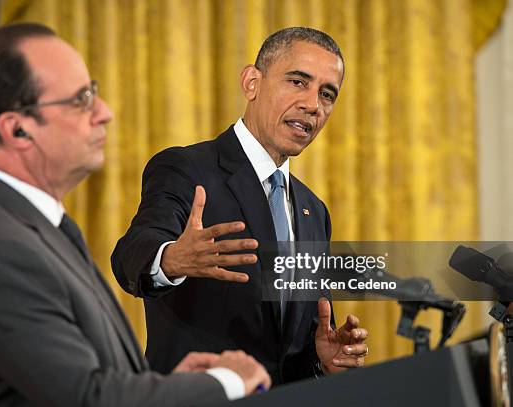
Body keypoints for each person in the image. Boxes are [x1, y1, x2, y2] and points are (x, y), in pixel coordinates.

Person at [0, 23, 271, 407]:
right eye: (81, 99)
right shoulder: (0, 251)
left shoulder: (25, 222)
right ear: (17, 130)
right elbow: (89, 400)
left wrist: (170, 385)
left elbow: (72, 381)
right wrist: (226, 382)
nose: (104, 112)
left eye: (95, 92)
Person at [111, 27, 369, 385]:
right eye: (298, 82)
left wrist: (322, 361)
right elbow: (131, 255)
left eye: (327, 94)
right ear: (252, 83)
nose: (313, 104)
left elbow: (298, 337)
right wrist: (170, 259)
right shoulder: (186, 169)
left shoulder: (314, 210)